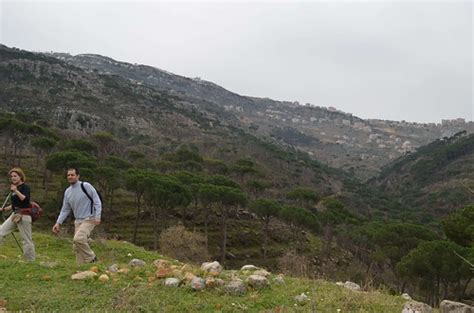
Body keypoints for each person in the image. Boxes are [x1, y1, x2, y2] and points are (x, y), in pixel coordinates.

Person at [52, 167, 102, 265]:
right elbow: (65, 209)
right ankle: (81, 268)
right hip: (78, 221)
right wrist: (58, 223)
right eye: (68, 175)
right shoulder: (67, 192)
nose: (70, 177)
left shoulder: (86, 186)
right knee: (77, 247)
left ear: (78, 176)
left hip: (89, 219)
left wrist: (98, 215)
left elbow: (97, 201)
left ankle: (92, 258)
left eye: (72, 175)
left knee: (78, 239)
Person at [0, 168, 35, 261]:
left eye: (15, 176)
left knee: (26, 239)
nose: (13, 178)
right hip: (14, 215)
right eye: (11, 176)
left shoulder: (25, 187)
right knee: (1, 232)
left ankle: (30, 261)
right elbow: (15, 205)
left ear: (20, 177)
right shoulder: (14, 189)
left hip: (24, 215)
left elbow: (25, 199)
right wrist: (4, 209)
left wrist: (16, 191)